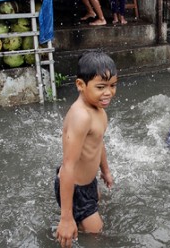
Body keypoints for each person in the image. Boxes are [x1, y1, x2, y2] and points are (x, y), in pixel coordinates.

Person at [54, 51, 118, 247]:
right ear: (81, 85)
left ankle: (76, 220)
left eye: (113, 85)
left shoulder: (98, 109)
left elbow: (98, 142)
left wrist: (105, 170)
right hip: (74, 186)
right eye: (101, 87)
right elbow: (67, 167)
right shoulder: (81, 116)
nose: (108, 92)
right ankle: (65, 223)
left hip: (88, 183)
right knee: (96, 235)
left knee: (97, 206)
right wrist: (65, 219)